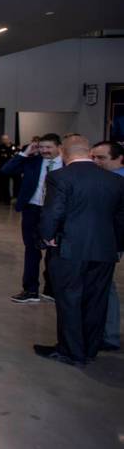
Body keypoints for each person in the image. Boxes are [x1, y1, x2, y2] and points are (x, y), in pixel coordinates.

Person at [34, 135, 124, 366]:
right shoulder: (114, 180)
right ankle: (90, 348)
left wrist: (47, 237)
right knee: (97, 300)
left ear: (64, 152)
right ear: (89, 153)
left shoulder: (59, 177)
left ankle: (71, 351)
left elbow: (53, 212)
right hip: (104, 250)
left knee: (69, 300)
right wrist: (117, 246)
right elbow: (120, 218)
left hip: (70, 248)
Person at [2, 133, 62, 303]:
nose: (44, 151)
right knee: (31, 251)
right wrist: (25, 153)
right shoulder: (32, 161)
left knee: (55, 252)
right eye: (41, 147)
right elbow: (6, 170)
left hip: (56, 213)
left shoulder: (66, 164)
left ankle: (51, 289)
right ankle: (30, 290)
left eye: (48, 147)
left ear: (59, 147)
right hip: (32, 210)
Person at [91, 140, 124, 351]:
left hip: (112, 241)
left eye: (101, 158)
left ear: (119, 159)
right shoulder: (103, 179)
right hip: (103, 240)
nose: (96, 162)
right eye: (93, 157)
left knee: (105, 287)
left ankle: (109, 335)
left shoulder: (117, 183)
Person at [0, 134, 18, 204]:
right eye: (3, 139)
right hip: (4, 169)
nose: (5, 140)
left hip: (14, 168)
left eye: (6, 139)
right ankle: (6, 199)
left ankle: (16, 197)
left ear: (9, 139)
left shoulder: (14, 147)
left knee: (17, 183)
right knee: (4, 184)